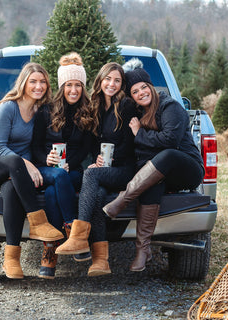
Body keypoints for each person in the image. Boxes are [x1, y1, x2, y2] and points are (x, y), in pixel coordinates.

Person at [102, 59, 205, 272]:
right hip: (161, 173)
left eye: (143, 88)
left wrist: (140, 133)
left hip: (187, 169)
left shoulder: (170, 107)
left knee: (167, 154)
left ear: (150, 86)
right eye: (135, 92)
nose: (141, 93)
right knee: (151, 182)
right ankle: (143, 250)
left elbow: (170, 142)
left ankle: (124, 199)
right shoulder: (138, 114)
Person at [0, 62, 64, 280]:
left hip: (15, 175)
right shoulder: (8, 108)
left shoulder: (41, 111)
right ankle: (38, 223)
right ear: (23, 83)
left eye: (42, 82)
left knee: (12, 188)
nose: (38, 86)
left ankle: (11, 258)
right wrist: (28, 164)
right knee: (13, 161)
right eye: (33, 81)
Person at [55, 62, 138, 276]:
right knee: (97, 196)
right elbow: (92, 141)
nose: (112, 84)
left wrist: (107, 161)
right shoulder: (96, 106)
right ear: (100, 81)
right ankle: (101, 260)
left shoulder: (126, 106)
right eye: (108, 79)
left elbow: (130, 144)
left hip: (125, 169)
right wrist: (96, 160)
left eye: (117, 80)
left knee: (90, 176)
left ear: (122, 84)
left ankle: (78, 237)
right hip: (104, 170)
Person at [31, 52, 95, 279]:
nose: (73, 90)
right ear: (62, 86)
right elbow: (36, 145)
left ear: (83, 87)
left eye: (78, 85)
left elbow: (86, 148)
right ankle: (73, 232)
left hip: (73, 171)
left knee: (53, 190)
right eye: (69, 85)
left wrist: (71, 164)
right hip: (48, 169)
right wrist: (45, 159)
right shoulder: (45, 112)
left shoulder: (88, 112)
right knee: (57, 178)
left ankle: (50, 250)